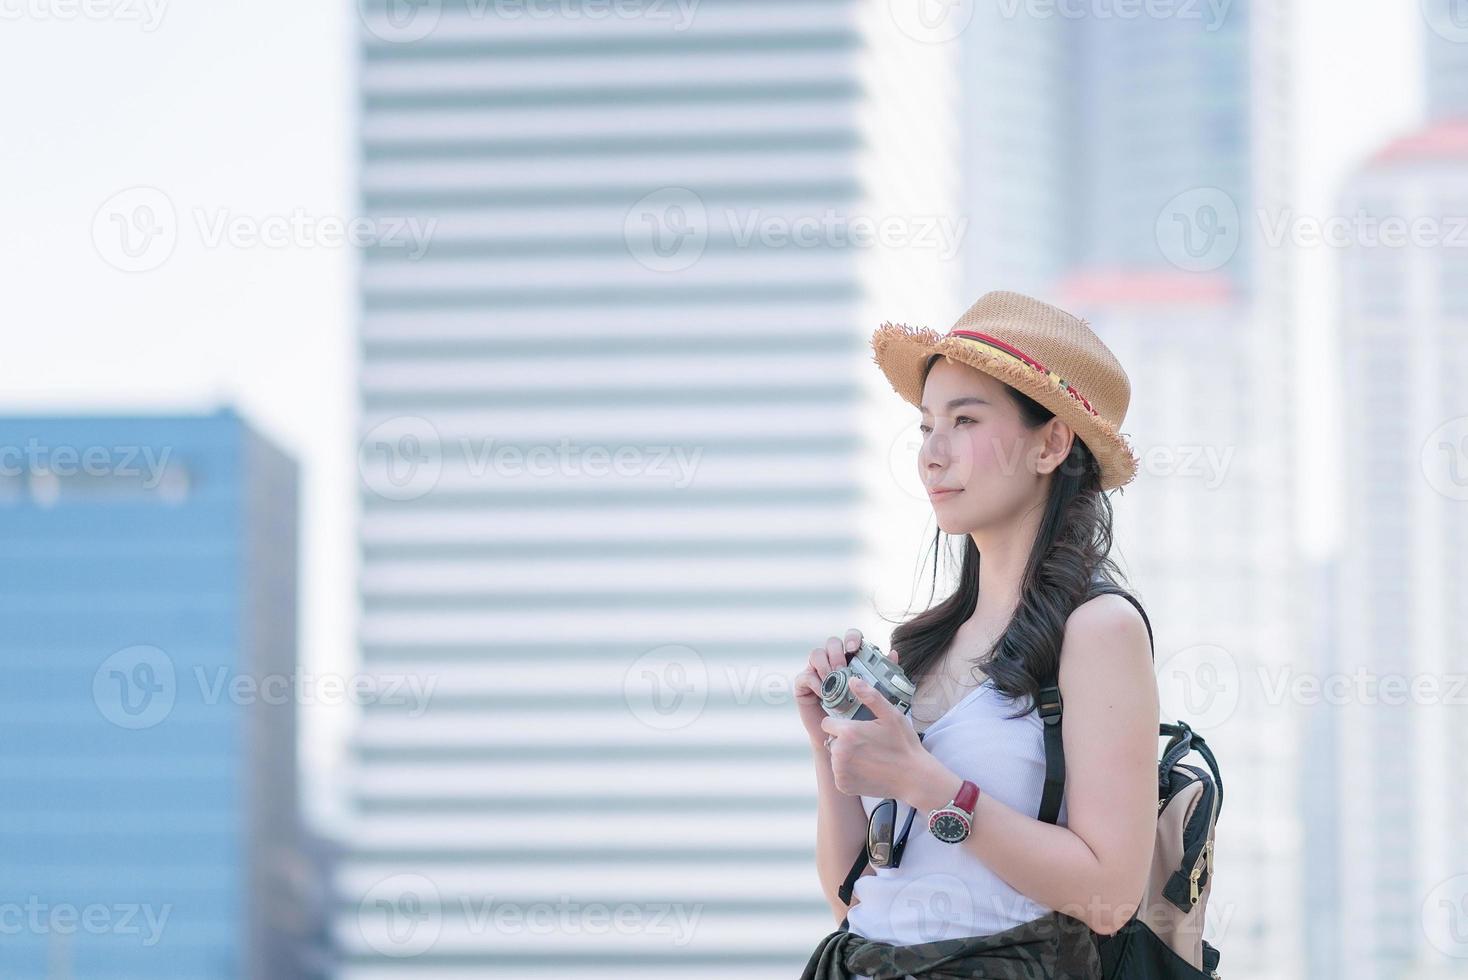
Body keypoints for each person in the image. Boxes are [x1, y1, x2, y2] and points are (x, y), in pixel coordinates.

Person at [794, 291, 1160, 979]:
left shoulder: (1098, 629)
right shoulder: (923, 647)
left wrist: (932, 786)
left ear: (1051, 443)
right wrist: (828, 746)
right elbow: (854, 901)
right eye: (928, 424)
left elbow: (1110, 897)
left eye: (964, 420)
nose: (932, 454)